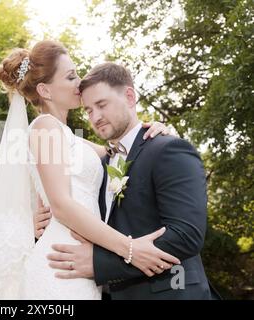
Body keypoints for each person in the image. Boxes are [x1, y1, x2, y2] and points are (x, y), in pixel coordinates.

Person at [0, 40, 178, 300]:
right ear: (45, 90)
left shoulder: (73, 139)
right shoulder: (43, 128)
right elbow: (60, 205)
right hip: (59, 265)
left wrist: (155, 132)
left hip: (80, 265)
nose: (79, 83)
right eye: (71, 76)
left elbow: (125, 152)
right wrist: (129, 248)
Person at [37, 61, 221, 299]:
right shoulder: (98, 168)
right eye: (89, 110)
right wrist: (37, 223)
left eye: (102, 105)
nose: (96, 117)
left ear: (130, 96)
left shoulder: (168, 149)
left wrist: (99, 263)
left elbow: (186, 235)